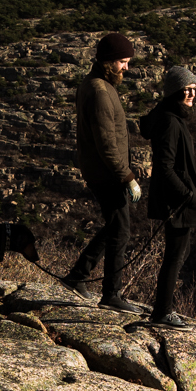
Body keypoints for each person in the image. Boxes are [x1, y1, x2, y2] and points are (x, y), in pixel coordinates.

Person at [60, 33, 146, 313]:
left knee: (113, 226)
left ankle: (78, 275)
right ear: (108, 61)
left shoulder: (97, 85)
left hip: (102, 170)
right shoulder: (99, 91)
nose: (127, 68)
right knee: (120, 231)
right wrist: (128, 176)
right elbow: (107, 143)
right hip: (107, 173)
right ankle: (111, 294)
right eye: (123, 61)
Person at [139, 64, 196, 329]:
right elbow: (165, 166)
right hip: (177, 202)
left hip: (177, 200)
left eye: (194, 90)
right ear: (174, 92)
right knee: (175, 256)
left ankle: (163, 310)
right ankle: (163, 312)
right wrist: (187, 195)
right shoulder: (170, 121)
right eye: (186, 90)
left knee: (177, 254)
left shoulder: (171, 117)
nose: (191, 94)